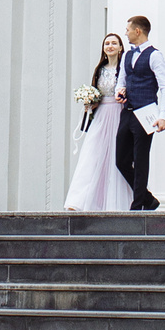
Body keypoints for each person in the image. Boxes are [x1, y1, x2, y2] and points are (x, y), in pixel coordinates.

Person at [63, 32, 130, 212]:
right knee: (92, 154)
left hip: (119, 114)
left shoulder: (125, 69)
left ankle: (116, 203)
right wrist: (90, 102)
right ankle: (80, 200)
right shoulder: (99, 70)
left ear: (120, 47)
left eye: (114, 43)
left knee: (116, 156)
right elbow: (97, 94)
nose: (110, 46)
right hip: (101, 116)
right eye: (107, 43)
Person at [112, 14, 165, 212]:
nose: (126, 33)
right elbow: (121, 80)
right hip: (127, 112)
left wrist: (163, 115)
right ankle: (148, 198)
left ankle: (137, 205)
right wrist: (119, 91)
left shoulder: (155, 56)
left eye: (128, 29)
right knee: (121, 160)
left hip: (146, 112)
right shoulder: (127, 55)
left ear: (137, 31)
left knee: (140, 159)